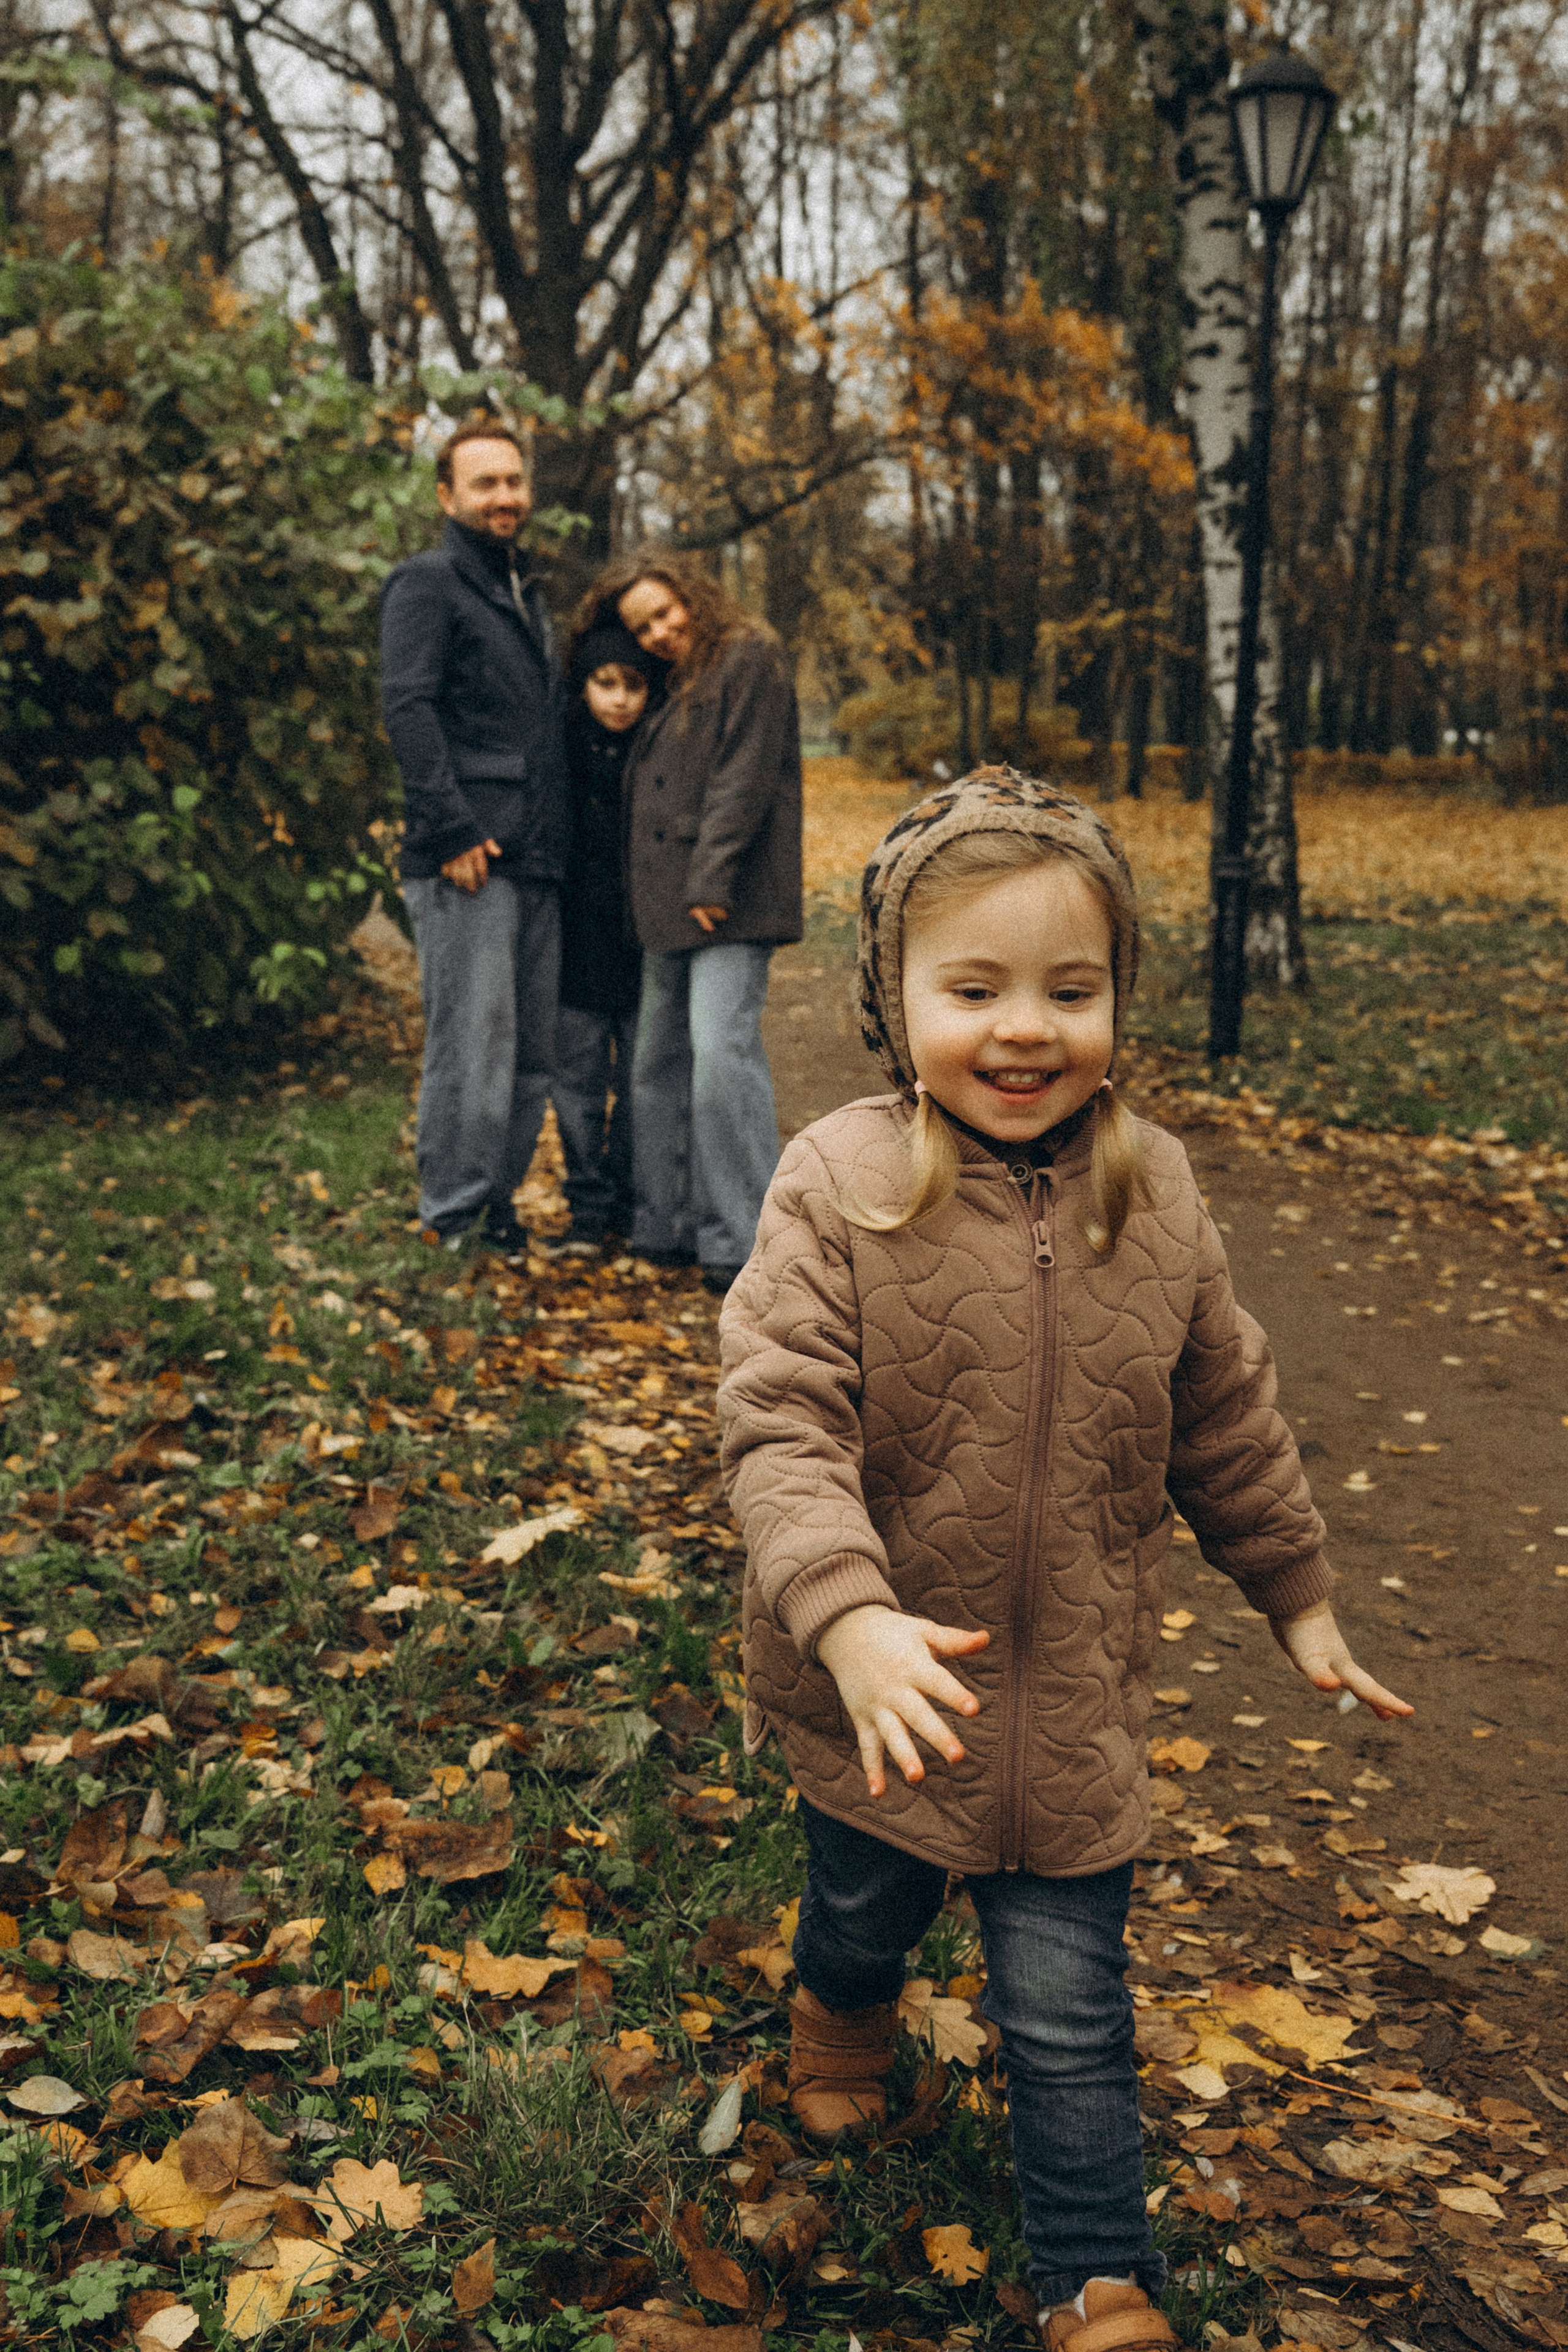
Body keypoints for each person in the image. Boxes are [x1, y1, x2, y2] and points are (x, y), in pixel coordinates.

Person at [717, 769, 1412, 2352]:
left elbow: (1221, 1411)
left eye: (1070, 990)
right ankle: (840, 2011)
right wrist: (847, 1619)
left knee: (1069, 2010)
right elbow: (780, 1424)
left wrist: (1296, 1592)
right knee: (866, 1907)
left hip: (1077, 1709)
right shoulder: (836, 1181)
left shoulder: (1150, 1188)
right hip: (886, 1693)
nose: (1025, 1029)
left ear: (1116, 1000)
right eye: (974, 990)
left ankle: (1096, 2280)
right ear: (895, 1001)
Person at [589, 551, 802, 1295]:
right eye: (642, 626)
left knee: (720, 1059)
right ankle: (665, 1224)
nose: (657, 631)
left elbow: (745, 775)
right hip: (665, 906)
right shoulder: (676, 678)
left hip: (725, 903)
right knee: (657, 1065)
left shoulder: (749, 655)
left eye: (664, 611)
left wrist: (712, 877)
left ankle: (744, 1238)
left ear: (692, 595)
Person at [380, 421, 568, 1253]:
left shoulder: (523, 589)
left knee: (530, 1054)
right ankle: (451, 1215)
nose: (505, 497)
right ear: (446, 495)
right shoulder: (427, 582)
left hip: (536, 856)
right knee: (473, 1045)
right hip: (469, 858)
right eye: (485, 483)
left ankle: (494, 1205)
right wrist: (451, 826)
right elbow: (408, 707)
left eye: (514, 481)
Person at [551, 617, 662, 1254]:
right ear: (585, 685)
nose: (619, 700)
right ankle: (586, 1209)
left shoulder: (657, 755)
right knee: (577, 1086)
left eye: (633, 686)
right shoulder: (561, 749)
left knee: (641, 1086)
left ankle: (624, 1199)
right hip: (574, 948)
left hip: (642, 949)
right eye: (605, 683)